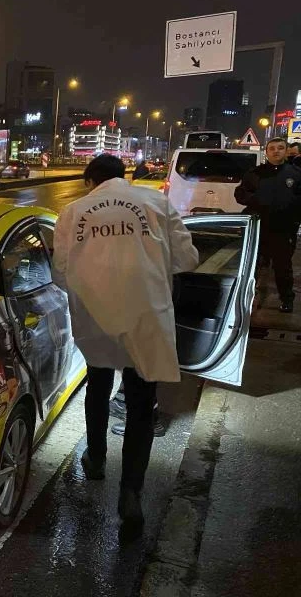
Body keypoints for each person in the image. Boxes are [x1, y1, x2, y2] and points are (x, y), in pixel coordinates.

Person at [53, 154, 198, 525]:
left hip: (96, 316)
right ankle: (131, 493)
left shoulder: (73, 212)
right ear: (124, 176)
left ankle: (96, 459)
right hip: (145, 316)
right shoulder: (156, 202)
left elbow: (61, 273)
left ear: (91, 182)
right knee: (140, 404)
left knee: (98, 384)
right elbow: (187, 259)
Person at [235, 137, 301, 313]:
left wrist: (294, 214)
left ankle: (287, 300)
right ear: (266, 152)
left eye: (280, 148)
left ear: (286, 151)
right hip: (259, 228)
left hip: (283, 229)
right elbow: (240, 194)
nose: (276, 151)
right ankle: (246, 298)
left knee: (283, 267)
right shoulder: (255, 173)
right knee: (252, 265)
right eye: (272, 148)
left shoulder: (295, 174)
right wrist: (257, 200)